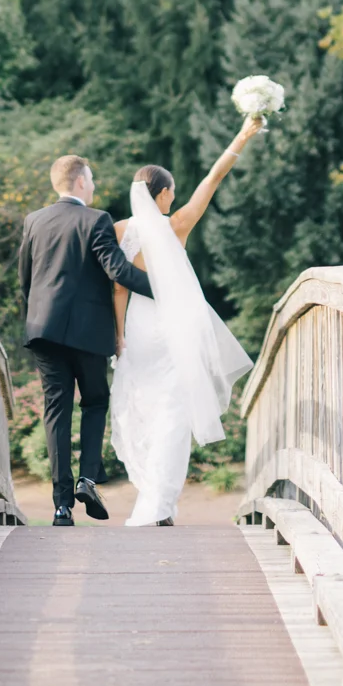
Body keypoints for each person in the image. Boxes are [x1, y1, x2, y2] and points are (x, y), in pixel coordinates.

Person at [108, 116, 263, 526]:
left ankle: (155, 500)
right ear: (160, 194)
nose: (174, 200)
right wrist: (243, 135)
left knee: (144, 407)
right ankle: (159, 504)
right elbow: (212, 179)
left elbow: (119, 290)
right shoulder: (175, 226)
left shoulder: (120, 230)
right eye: (171, 193)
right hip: (173, 329)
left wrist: (119, 336)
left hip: (138, 332)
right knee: (174, 414)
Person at [17, 154, 153, 527]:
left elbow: (25, 281)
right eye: (91, 180)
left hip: (43, 330)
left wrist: (37, 317)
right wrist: (162, 287)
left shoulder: (34, 220)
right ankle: (87, 479)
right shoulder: (97, 220)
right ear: (79, 182)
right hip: (88, 333)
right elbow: (118, 271)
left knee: (56, 413)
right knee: (95, 402)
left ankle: (61, 507)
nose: (93, 186)